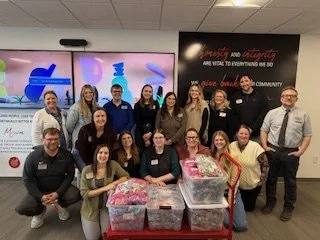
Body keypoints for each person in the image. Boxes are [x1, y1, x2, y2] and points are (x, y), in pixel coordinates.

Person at [260, 86, 312, 221]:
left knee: (290, 181)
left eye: (292, 95)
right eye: (286, 95)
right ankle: (270, 202)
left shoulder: (303, 115)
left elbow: (307, 135)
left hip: (291, 152)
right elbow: (264, 130)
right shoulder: (272, 113)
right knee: (271, 179)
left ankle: (288, 206)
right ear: (281, 98)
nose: (289, 98)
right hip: (273, 150)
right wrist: (265, 146)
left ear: (296, 98)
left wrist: (301, 151)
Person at [15, 128, 81, 229]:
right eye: (49, 139)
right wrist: (40, 196)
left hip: (59, 189)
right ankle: (39, 211)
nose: (53, 142)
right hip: (40, 189)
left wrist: (57, 193)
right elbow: (27, 180)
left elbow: (70, 176)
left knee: (76, 195)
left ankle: (59, 205)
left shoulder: (67, 155)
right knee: (22, 208)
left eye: (56, 139)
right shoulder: (33, 157)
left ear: (59, 140)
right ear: (43, 139)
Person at [80, 144, 129, 240]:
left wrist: (114, 184)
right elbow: (85, 194)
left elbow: (126, 176)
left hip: (106, 208)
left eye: (106, 153)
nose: (103, 155)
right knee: (93, 238)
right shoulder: (86, 170)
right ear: (96, 154)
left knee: (107, 235)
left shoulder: (113, 164)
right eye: (100, 152)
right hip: (90, 209)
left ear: (109, 155)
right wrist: (106, 188)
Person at [211, 130, 248, 232]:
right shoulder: (211, 155)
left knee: (241, 226)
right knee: (227, 223)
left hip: (231, 190)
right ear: (213, 142)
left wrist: (231, 199)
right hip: (217, 192)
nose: (219, 142)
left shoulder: (233, 156)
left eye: (221, 140)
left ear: (226, 141)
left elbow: (234, 180)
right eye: (216, 140)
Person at [229, 125, 269, 212]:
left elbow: (265, 165)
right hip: (237, 185)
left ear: (249, 135)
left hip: (252, 186)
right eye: (241, 133)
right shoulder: (232, 146)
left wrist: (261, 182)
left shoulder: (256, 147)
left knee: (249, 209)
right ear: (236, 134)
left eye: (246, 134)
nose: (243, 136)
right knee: (236, 208)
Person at [74, 107, 117, 171]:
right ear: (93, 118)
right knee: (87, 172)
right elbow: (82, 150)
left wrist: (101, 166)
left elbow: (108, 151)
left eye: (103, 116)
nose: (100, 118)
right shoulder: (85, 130)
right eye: (97, 116)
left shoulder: (111, 132)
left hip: (100, 157)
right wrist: (91, 166)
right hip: (82, 155)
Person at [230, 74, 268, 141]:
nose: (244, 83)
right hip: (240, 134)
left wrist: (252, 128)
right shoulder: (234, 97)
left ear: (251, 81)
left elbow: (263, 114)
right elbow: (233, 115)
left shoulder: (261, 96)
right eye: (242, 82)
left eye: (246, 81)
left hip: (256, 135)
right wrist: (241, 129)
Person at [66, 84, 99, 149]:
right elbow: (69, 126)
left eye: (90, 92)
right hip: (80, 141)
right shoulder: (75, 108)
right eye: (86, 93)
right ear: (82, 94)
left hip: (93, 140)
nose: (88, 94)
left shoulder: (97, 106)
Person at [133, 84, 160, 152]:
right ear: (142, 92)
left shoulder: (156, 103)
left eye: (150, 91)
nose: (147, 93)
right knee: (141, 152)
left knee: (152, 152)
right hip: (140, 132)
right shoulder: (137, 105)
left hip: (152, 131)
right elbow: (137, 121)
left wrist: (150, 133)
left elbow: (157, 120)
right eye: (146, 91)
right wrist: (145, 137)